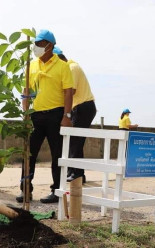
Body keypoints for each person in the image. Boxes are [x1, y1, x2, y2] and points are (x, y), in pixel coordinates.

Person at [16, 29, 74, 204]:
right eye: (36, 44)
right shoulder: (32, 66)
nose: (37, 48)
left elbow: (68, 92)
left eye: (41, 44)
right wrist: (25, 112)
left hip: (56, 114)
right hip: (35, 115)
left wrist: (67, 115)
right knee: (29, 153)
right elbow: (27, 90)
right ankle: (26, 190)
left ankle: (56, 191)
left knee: (57, 155)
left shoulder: (63, 66)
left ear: (50, 46)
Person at [53, 46, 96, 184]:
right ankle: (76, 173)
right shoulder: (71, 67)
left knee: (75, 142)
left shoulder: (71, 68)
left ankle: (77, 174)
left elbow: (71, 91)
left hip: (83, 107)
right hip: (82, 106)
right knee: (74, 141)